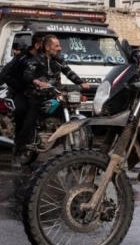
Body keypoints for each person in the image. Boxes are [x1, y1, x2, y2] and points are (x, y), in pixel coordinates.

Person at [21, 35, 90, 164]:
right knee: (29, 121)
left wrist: (81, 83)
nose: (60, 48)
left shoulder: (58, 60)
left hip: (53, 94)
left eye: (59, 45)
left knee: (65, 110)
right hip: (37, 95)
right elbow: (27, 74)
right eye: (56, 46)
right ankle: (20, 147)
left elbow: (69, 72)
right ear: (47, 47)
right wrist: (37, 82)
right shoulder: (35, 60)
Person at [0, 33, 46, 167]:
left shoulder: (46, 59)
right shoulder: (22, 58)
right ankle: (18, 148)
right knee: (22, 111)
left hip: (41, 93)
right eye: (45, 44)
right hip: (22, 93)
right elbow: (6, 75)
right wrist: (21, 89)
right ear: (37, 45)